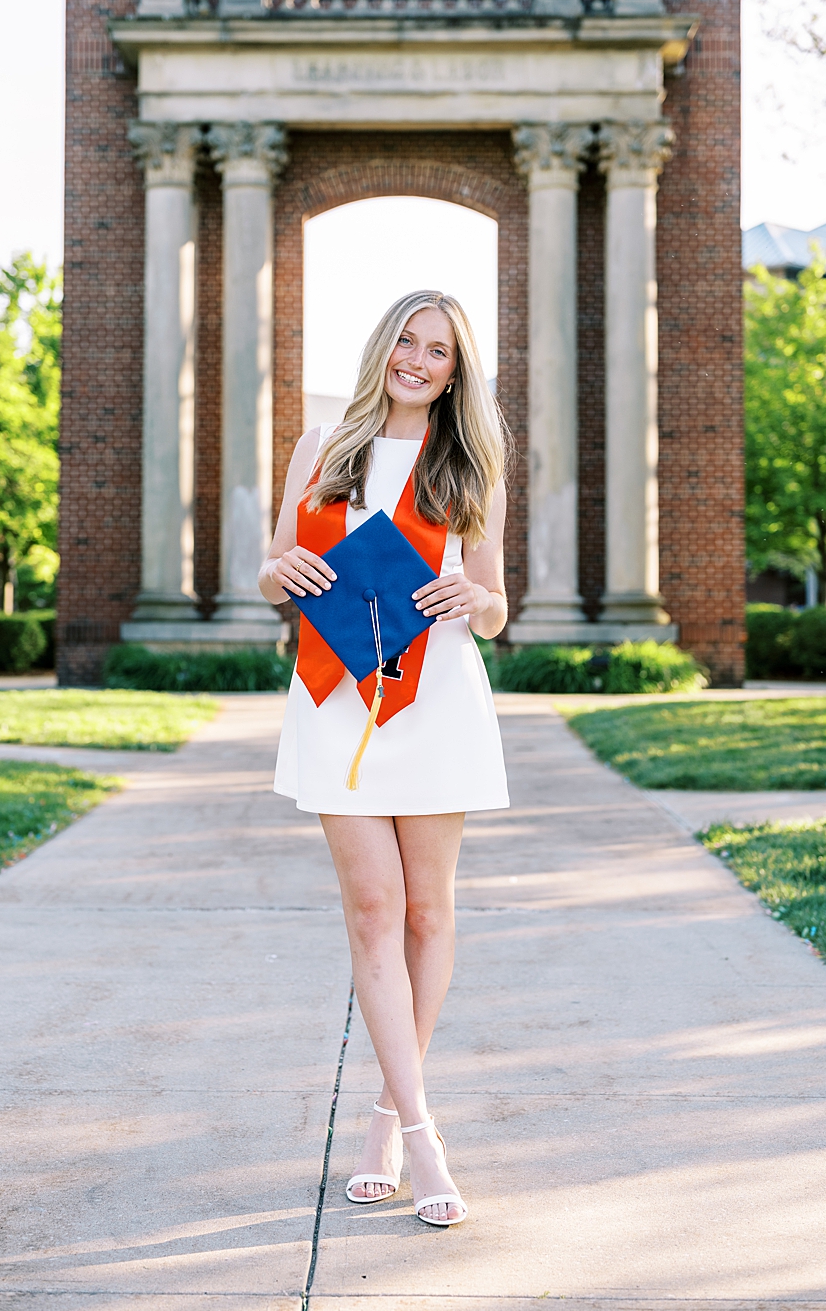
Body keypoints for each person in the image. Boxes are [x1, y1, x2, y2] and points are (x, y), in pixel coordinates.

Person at [261, 289, 512, 1228]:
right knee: (374, 911)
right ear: (383, 347)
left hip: (432, 694)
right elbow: (273, 569)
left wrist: (472, 600)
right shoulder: (325, 448)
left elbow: (494, 603)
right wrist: (280, 573)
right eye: (407, 339)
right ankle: (422, 1136)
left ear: (455, 371)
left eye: (438, 349)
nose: (417, 359)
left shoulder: (468, 461)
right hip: (338, 700)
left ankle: (383, 1118)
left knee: (427, 911)